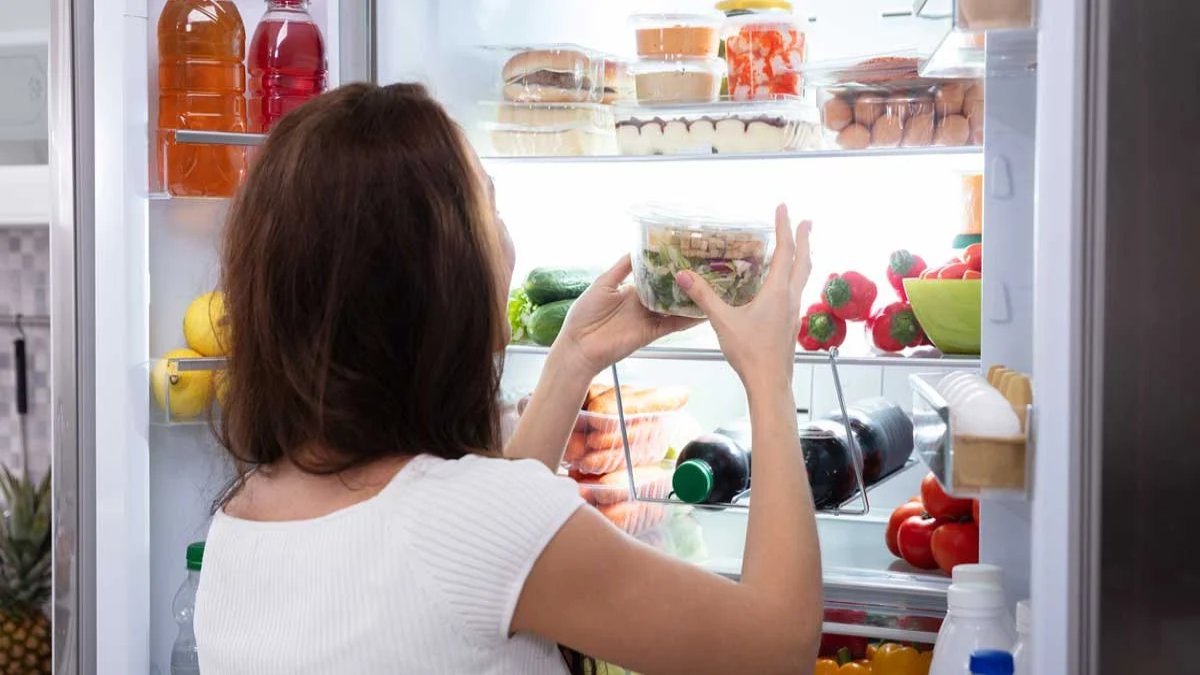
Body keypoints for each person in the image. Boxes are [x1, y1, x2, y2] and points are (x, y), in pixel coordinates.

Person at [194, 82, 821, 675]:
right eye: (489, 206)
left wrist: (573, 357)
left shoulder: (240, 519)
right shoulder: (471, 523)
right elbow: (777, 644)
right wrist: (770, 382)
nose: (505, 238)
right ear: (441, 280)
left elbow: (466, 571)